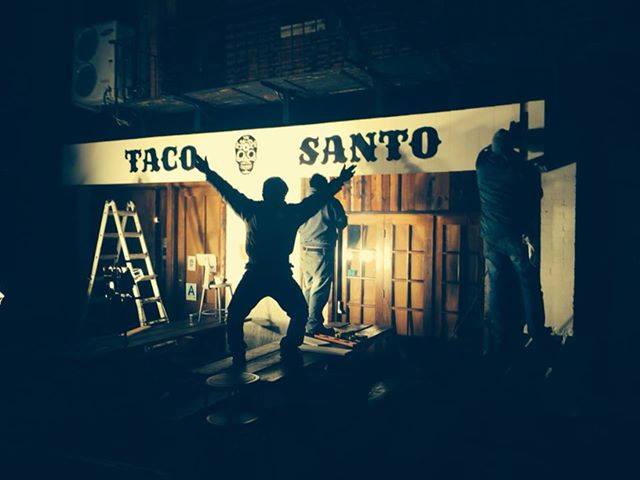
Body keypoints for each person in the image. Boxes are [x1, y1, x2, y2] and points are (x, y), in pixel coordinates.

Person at [194, 155, 356, 366]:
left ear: (263, 193)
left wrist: (208, 172)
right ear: (284, 194)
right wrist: (340, 180)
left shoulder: (252, 209)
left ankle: (238, 354)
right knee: (300, 312)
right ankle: (289, 346)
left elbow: (227, 190)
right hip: (279, 274)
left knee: (234, 315)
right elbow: (319, 198)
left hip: (256, 273)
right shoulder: (292, 213)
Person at [476, 125, 550, 369]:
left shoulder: (482, 166)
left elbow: (484, 151)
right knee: (528, 282)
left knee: (495, 287)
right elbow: (535, 191)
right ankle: (537, 335)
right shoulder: (517, 169)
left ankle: (496, 341)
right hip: (513, 236)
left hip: (490, 236)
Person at [299, 174, 348, 336]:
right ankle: (313, 325)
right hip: (322, 249)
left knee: (308, 287)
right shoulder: (331, 202)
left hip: (305, 249)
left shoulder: (303, 204)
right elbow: (342, 223)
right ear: (324, 186)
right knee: (320, 289)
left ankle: (304, 323)